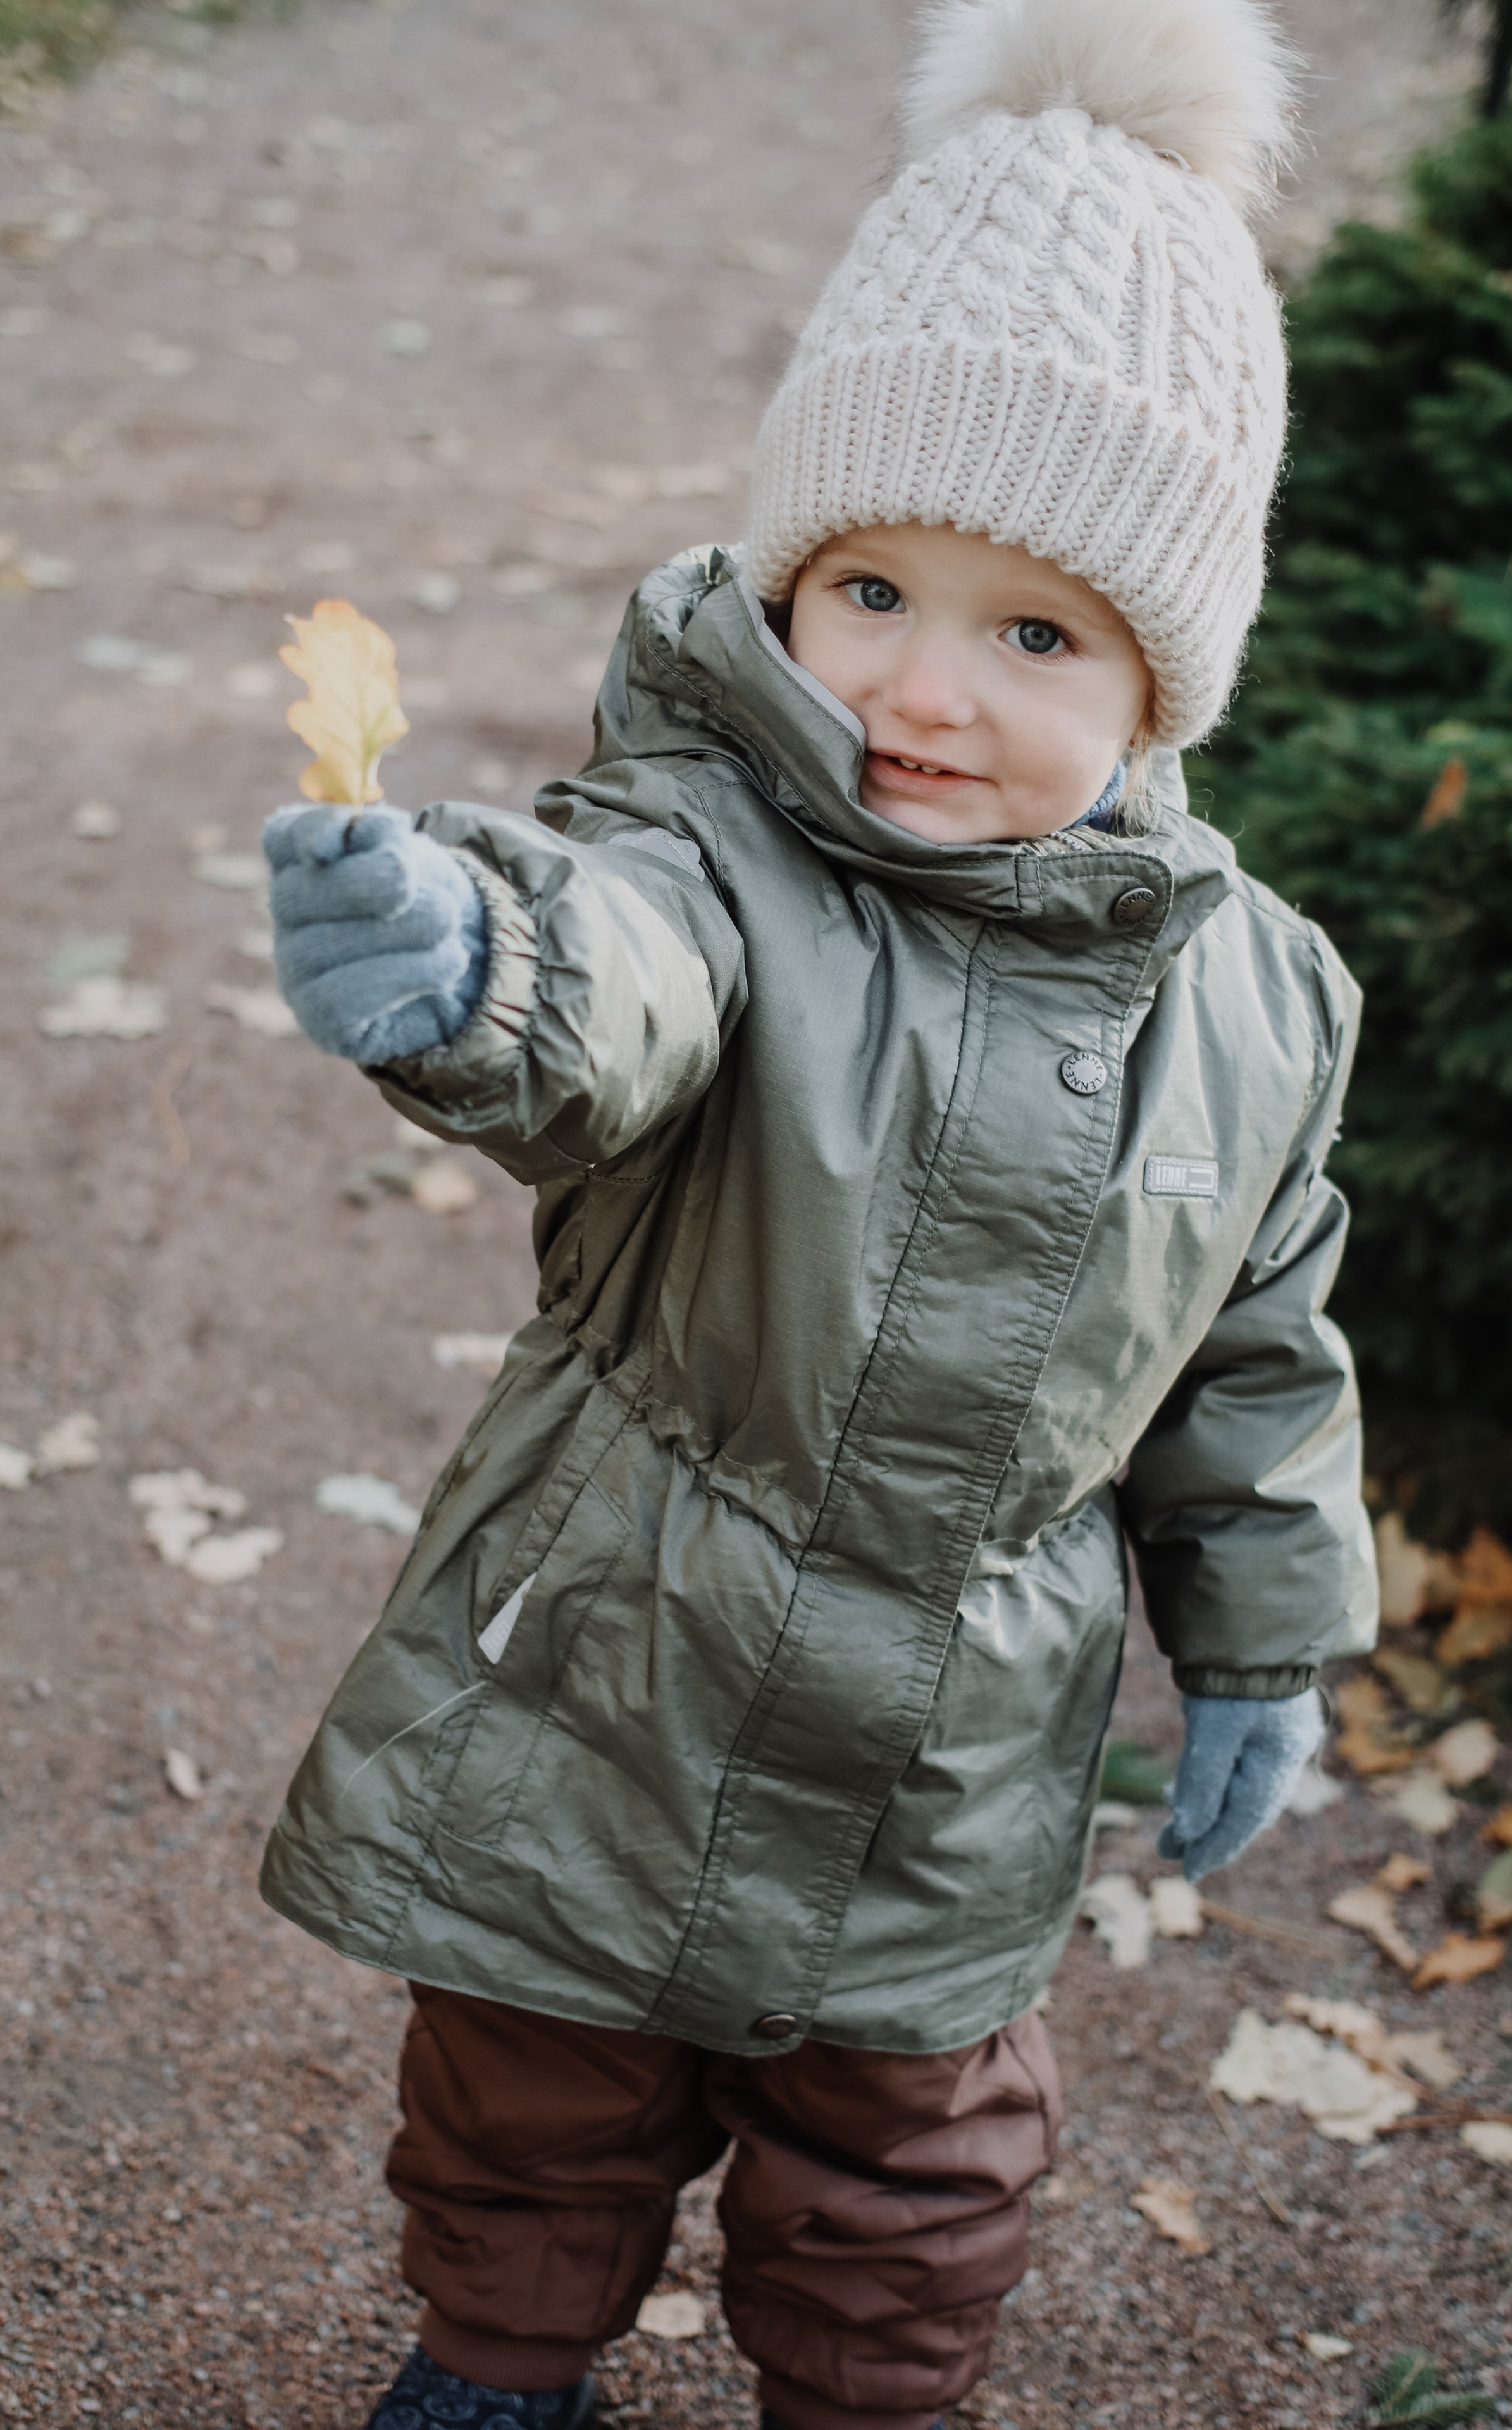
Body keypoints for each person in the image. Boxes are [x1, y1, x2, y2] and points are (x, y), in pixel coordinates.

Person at [259, 0, 1378, 2421]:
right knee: (535, 2069)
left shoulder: (1256, 1003)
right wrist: (477, 959)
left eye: (1035, 632)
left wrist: (1267, 1638)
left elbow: (1258, 1352)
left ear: (1165, 687)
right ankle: (496, 2367)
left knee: (913, 2157)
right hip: (619, 1647)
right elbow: (617, 978)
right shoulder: (711, 846)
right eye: (868, 588)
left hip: (959, 1747)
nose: (921, 691)